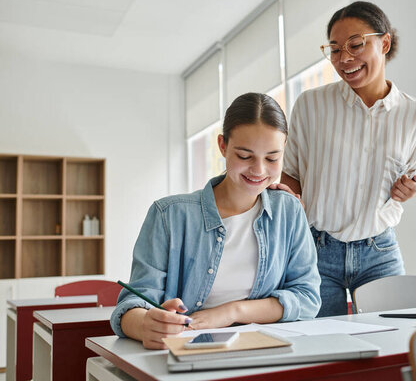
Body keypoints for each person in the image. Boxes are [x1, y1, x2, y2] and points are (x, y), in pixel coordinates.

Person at [110, 93, 321, 349]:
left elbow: (307, 298)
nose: (259, 170)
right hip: (190, 350)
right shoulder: (169, 215)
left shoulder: (289, 211)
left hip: (265, 351)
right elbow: (130, 306)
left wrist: (232, 312)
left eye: (272, 158)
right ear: (223, 145)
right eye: (245, 156)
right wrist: (146, 325)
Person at [274, 1, 416, 317]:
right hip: (316, 249)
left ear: (384, 43)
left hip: (380, 251)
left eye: (356, 45)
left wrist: (415, 187)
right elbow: (290, 174)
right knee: (321, 346)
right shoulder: (311, 105)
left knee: (394, 338)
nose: (345, 58)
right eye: (334, 50)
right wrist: (290, 201)